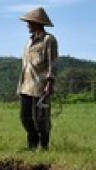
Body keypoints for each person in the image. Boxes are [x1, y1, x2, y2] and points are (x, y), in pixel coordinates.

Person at [17, 7, 58, 150]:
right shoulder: (28, 42)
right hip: (25, 85)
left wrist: (50, 83)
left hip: (40, 85)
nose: (27, 25)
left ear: (37, 23)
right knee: (25, 117)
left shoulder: (49, 40)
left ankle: (43, 146)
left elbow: (52, 63)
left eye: (29, 22)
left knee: (41, 118)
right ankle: (32, 145)